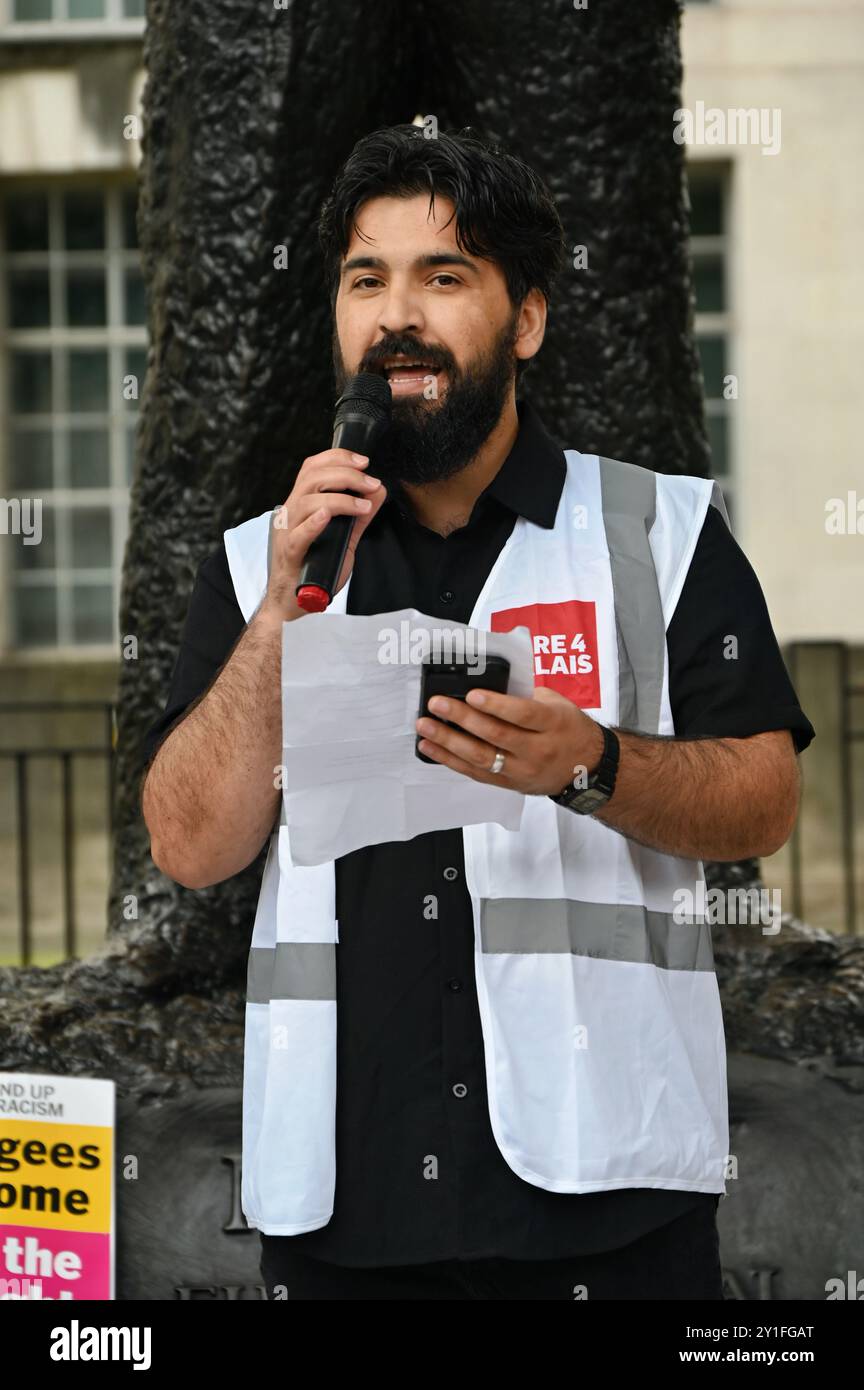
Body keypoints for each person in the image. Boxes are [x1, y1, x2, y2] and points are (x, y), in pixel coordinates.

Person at [141, 125, 815, 1301]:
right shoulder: (263, 561)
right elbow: (190, 845)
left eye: (442, 277)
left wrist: (595, 765)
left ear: (528, 320)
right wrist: (281, 623)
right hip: (344, 1213)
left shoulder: (656, 534)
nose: (397, 315)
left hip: (609, 1196)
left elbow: (762, 798)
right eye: (367, 281)